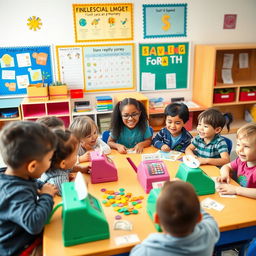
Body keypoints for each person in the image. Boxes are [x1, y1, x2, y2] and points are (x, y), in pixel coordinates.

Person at [0, 121, 58, 256]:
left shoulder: (18, 175)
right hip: (20, 250)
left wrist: (41, 187)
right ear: (32, 166)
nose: (50, 163)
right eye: (49, 159)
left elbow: (31, 183)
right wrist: (46, 196)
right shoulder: (15, 192)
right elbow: (34, 224)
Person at [130, 180, 220, 256]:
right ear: (199, 218)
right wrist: (185, 194)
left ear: (157, 219)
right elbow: (209, 218)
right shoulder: (209, 233)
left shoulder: (145, 252)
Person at [39, 129, 89, 195]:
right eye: (75, 155)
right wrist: (77, 181)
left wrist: (83, 169)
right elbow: (68, 194)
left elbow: (71, 168)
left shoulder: (60, 166)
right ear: (63, 163)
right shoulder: (58, 179)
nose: (77, 156)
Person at [217, 123, 256, 198]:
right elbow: (226, 166)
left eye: (246, 146)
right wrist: (225, 175)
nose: (240, 150)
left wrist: (236, 190)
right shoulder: (241, 161)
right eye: (238, 144)